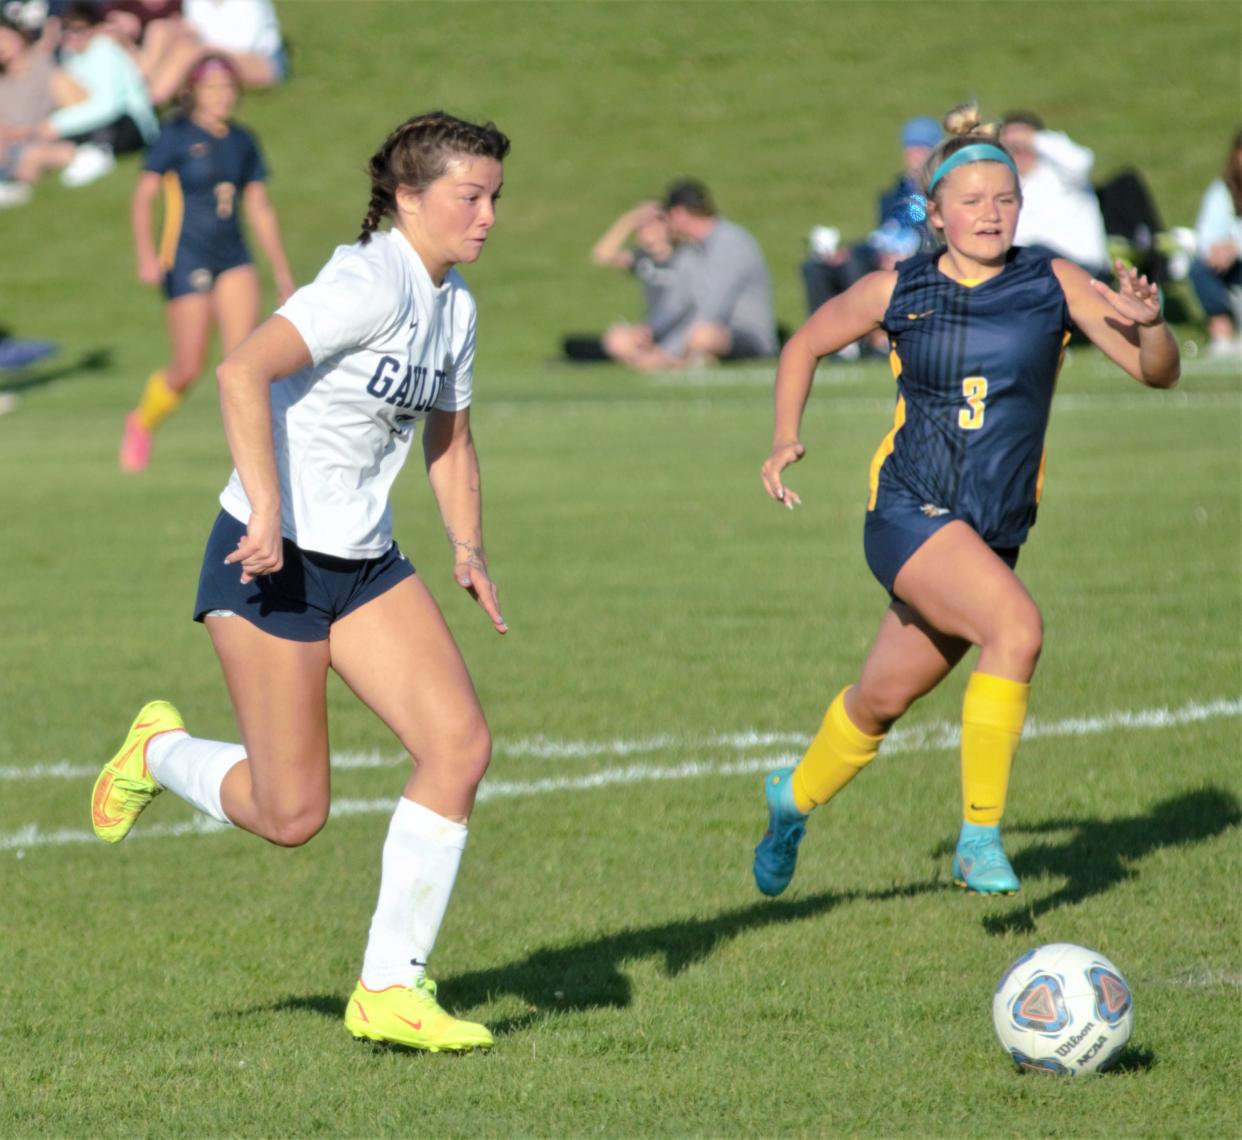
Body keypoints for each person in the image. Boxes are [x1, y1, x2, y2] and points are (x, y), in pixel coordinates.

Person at [90, 110, 510, 1054]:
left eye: (493, 198)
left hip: (364, 564)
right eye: (469, 196)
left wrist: (468, 545)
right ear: (409, 199)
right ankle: (157, 753)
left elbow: (450, 434)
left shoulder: (457, 307)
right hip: (267, 558)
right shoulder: (367, 281)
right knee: (292, 816)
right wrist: (270, 510)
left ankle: (388, 990)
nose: (487, 216)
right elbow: (243, 373)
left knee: (459, 746)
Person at [752, 103, 1178, 901]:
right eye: (972, 202)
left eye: (1004, 200)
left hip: (990, 532)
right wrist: (783, 438)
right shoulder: (897, 288)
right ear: (937, 213)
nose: (989, 215)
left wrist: (1152, 325)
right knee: (1016, 628)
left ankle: (791, 798)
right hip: (909, 510)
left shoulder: (1049, 280)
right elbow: (804, 342)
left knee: (879, 701)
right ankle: (978, 837)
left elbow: (1157, 371)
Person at [119, 53, 293, 472]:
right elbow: (144, 197)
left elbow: (259, 207)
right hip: (186, 258)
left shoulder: (243, 140)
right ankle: (141, 422)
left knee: (242, 364)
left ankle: (250, 459)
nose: (222, 97)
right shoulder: (174, 137)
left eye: (229, 88)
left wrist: (282, 271)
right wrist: (145, 254)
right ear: (194, 92)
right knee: (188, 367)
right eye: (213, 88)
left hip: (234, 258)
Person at [800, 115, 941, 346]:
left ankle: (871, 337)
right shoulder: (895, 194)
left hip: (915, 258)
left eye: (921, 149)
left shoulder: (937, 193)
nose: (914, 156)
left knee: (855, 264)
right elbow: (886, 233)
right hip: (881, 253)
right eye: (910, 149)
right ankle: (828, 340)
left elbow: (924, 232)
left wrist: (900, 254)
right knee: (817, 267)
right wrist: (850, 249)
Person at [9, 2, 158, 192]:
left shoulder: (104, 50)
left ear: (94, 29)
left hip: (130, 126)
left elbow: (108, 106)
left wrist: (57, 124)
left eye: (79, 29)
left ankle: (94, 154)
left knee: (59, 89)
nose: (71, 35)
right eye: (67, 29)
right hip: (104, 125)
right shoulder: (71, 57)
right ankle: (20, 180)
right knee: (59, 84)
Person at [633, 177, 777, 369]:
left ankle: (686, 361)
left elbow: (713, 308)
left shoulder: (732, 243)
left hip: (745, 335)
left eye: (667, 216)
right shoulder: (691, 249)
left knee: (702, 336)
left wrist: (666, 352)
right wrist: (650, 330)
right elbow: (677, 301)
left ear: (679, 213)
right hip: (700, 329)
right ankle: (692, 360)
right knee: (623, 339)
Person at [999, 110, 1110, 280]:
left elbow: (1081, 161)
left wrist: (1034, 139)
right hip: (1027, 270)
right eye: (1012, 147)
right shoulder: (1004, 184)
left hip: (1081, 268)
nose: (1019, 152)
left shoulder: (1063, 175)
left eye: (1024, 145)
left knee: (1033, 253)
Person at [574, 199, 688, 365]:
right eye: (641, 225)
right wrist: (628, 221)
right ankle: (656, 360)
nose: (646, 229)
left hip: (683, 326)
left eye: (654, 223)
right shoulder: (642, 259)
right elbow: (602, 256)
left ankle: (663, 359)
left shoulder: (686, 256)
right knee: (616, 339)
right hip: (652, 330)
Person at [145, 0, 287, 106]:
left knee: (188, 51)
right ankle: (140, 89)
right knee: (159, 29)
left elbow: (244, 42)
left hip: (262, 60)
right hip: (210, 50)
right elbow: (196, 24)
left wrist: (203, 46)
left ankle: (152, 101)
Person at [1188, 128, 1242, 361]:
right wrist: (1219, 250)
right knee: (1199, 267)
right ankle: (1223, 337)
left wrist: (1236, 246)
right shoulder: (1222, 191)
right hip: (1232, 271)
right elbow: (1206, 237)